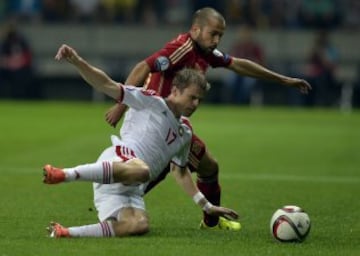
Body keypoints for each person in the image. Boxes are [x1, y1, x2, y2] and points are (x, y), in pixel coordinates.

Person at [105, 7, 312, 231]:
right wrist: (120, 106)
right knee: (156, 172)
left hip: (172, 125)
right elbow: (143, 67)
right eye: (213, 34)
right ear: (195, 29)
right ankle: (115, 210)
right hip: (154, 123)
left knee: (205, 167)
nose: (216, 40)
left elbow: (239, 64)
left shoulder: (205, 53)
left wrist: (284, 80)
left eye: (220, 35)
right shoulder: (182, 48)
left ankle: (210, 221)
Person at [43, 44, 238, 238]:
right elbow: (106, 84)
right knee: (143, 170)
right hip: (120, 161)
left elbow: (180, 172)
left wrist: (207, 205)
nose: (195, 104)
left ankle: (65, 233)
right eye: (192, 97)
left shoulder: (185, 132)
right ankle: (64, 174)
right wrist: (77, 61)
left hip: (130, 190)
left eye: (200, 100)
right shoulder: (151, 102)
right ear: (176, 90)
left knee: (139, 225)